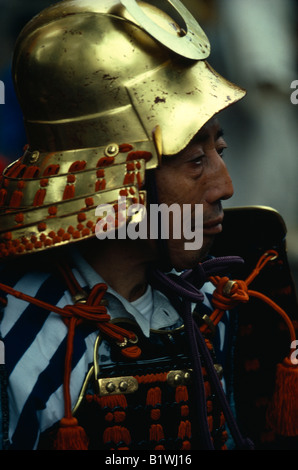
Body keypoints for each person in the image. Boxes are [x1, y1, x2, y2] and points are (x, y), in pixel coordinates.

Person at [0, 0, 297, 451]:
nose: (226, 186)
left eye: (221, 150)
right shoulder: (17, 338)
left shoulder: (223, 302)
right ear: (118, 180)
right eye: (196, 161)